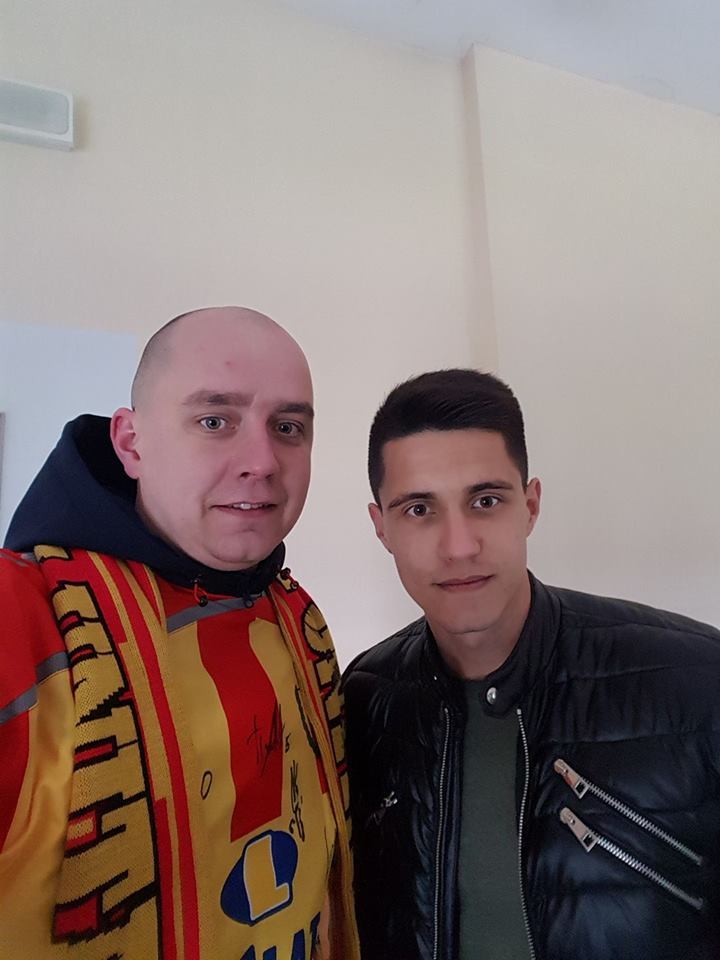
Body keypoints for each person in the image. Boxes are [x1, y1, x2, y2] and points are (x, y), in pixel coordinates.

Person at [0, 307, 359, 960]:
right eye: (215, 421)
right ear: (131, 443)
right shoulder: (24, 614)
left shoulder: (294, 612)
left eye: (288, 427)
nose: (262, 462)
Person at [342, 368, 720, 960]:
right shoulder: (364, 701)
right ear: (381, 527)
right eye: (419, 509)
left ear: (531, 505)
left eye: (485, 501)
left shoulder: (696, 680)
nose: (459, 546)